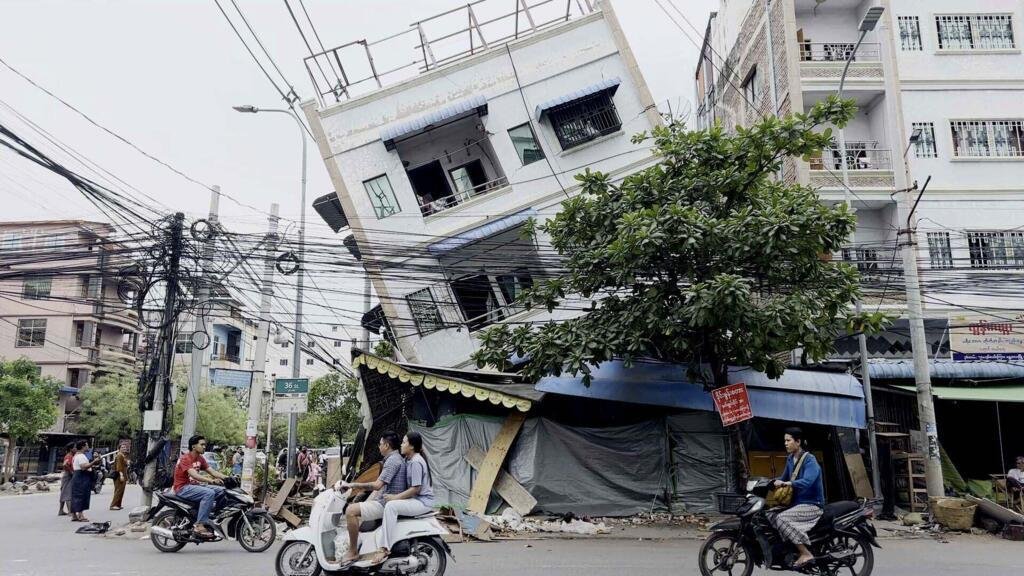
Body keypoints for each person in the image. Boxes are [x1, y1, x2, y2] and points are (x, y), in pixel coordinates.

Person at [338, 432, 408, 564]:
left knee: (350, 511)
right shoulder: (394, 459)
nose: (379, 447)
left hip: (386, 504)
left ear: (386, 445)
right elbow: (381, 487)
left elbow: (377, 485)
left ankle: (353, 552)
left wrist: (353, 485)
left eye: (380, 444)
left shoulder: (392, 461)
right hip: (386, 500)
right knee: (358, 509)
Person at [372, 432, 435, 565]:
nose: (401, 444)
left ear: (411, 446)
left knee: (391, 506)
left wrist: (395, 497)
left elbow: (415, 489)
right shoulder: (409, 460)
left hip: (422, 501)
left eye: (404, 442)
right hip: (417, 500)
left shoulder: (416, 462)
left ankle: (384, 548)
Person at [769, 427, 824, 569]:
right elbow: (783, 478)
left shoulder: (809, 460)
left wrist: (788, 483)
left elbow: (808, 481)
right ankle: (789, 546)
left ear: (798, 442)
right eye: (785, 441)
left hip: (812, 505)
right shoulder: (790, 459)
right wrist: (768, 482)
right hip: (797, 504)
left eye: (788, 440)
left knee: (781, 519)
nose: (785, 444)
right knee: (769, 515)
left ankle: (805, 552)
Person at [173, 435, 232, 538]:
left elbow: (212, 471)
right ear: (193, 446)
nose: (205, 447)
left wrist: (227, 478)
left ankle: (214, 518)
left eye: (205, 444)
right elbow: (194, 475)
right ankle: (199, 525)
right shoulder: (185, 458)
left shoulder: (200, 458)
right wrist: (211, 481)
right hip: (183, 488)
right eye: (202, 444)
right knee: (209, 493)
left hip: (194, 486)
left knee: (223, 491)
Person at [69, 440, 101, 522]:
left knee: (76, 495)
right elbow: (83, 467)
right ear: (83, 446)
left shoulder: (76, 456)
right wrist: (94, 462)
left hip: (77, 476)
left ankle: (74, 514)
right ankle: (80, 515)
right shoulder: (81, 456)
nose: (88, 447)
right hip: (81, 477)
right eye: (87, 445)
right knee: (81, 495)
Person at [109, 443, 130, 510]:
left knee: (121, 490)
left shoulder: (123, 455)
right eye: (122, 447)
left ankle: (118, 504)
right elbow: (119, 466)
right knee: (118, 490)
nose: (124, 448)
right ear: (119, 448)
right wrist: (121, 475)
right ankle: (113, 505)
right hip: (119, 475)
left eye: (125, 447)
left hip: (123, 474)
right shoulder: (119, 455)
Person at [58, 443, 75, 516]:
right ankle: (70, 511)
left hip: (66, 475)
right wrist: (71, 471)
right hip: (68, 475)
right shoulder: (69, 456)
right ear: (71, 449)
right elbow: (65, 464)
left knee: (63, 492)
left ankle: (61, 510)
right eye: (74, 448)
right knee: (68, 493)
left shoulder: (70, 456)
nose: (76, 449)